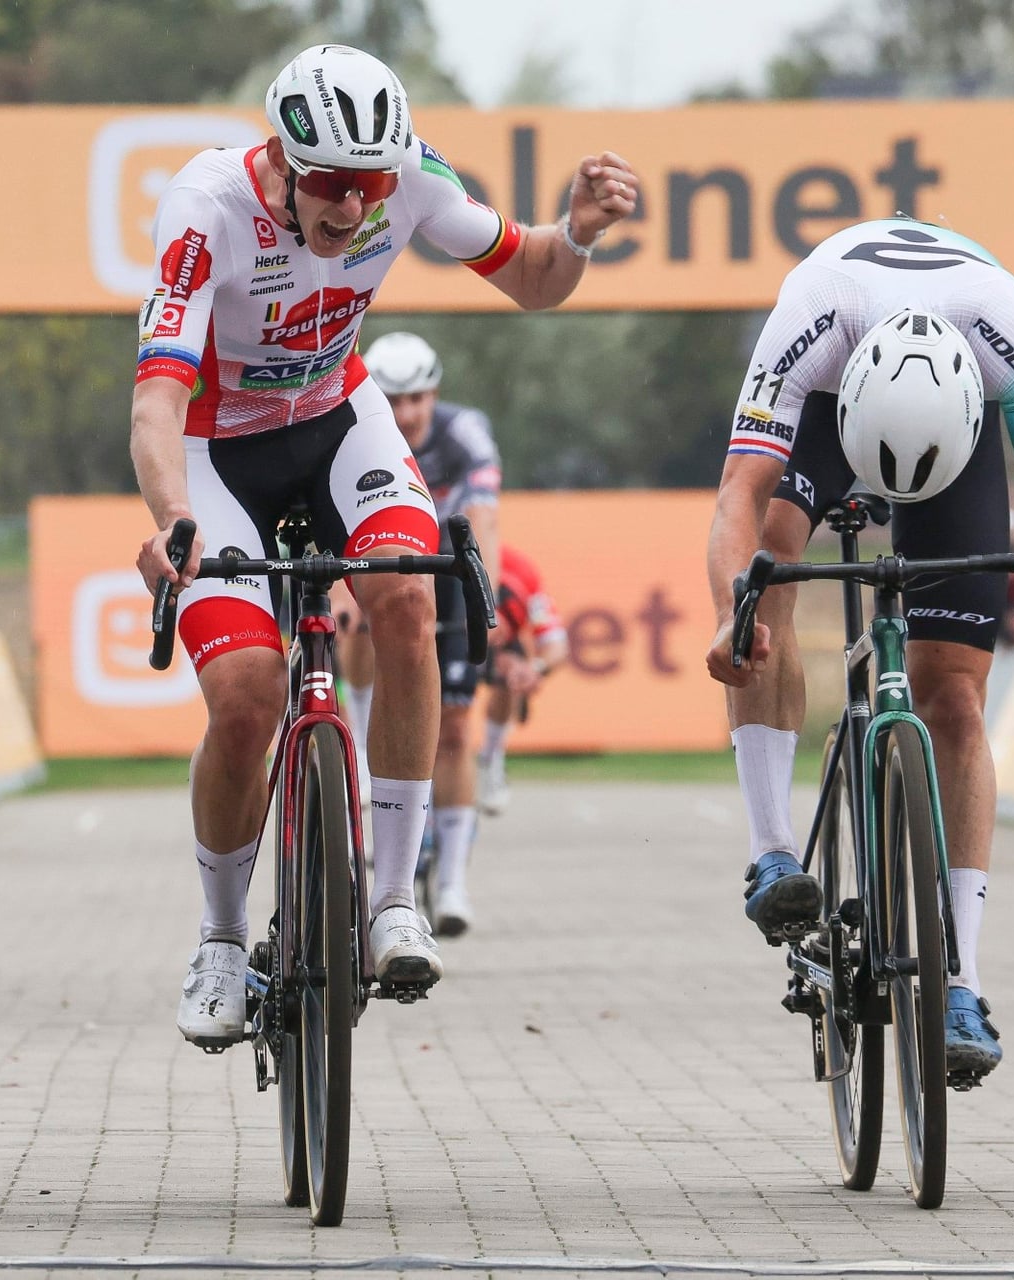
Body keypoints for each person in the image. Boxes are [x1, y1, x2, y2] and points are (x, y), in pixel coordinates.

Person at [128, 43, 638, 1047]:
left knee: (408, 594)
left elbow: (533, 274)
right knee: (244, 701)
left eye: (371, 185)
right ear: (281, 156)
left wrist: (576, 233)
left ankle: (395, 895)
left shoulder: (408, 174)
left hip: (335, 420)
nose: (354, 209)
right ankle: (222, 939)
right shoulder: (206, 206)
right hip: (215, 450)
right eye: (331, 187)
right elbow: (156, 398)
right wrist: (171, 520)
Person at [704, 217, 1014, 1084]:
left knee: (952, 696)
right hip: (831, 407)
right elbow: (739, 492)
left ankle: (961, 980)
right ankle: (771, 851)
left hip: (952, 437)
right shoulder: (812, 317)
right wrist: (736, 614)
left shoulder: (1008, 337)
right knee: (766, 576)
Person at [339, 331, 503, 936]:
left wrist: (489, 598)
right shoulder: (354, 424)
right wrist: (340, 601)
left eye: (418, 398)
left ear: (436, 393)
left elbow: (485, 520)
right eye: (394, 399)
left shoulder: (465, 434)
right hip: (380, 561)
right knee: (352, 616)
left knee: (457, 734)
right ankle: (357, 739)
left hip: (448, 569)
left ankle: (454, 880)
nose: (407, 413)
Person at [477, 544, 569, 817]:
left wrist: (535, 668)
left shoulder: (523, 577)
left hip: (502, 645)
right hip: (451, 631)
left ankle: (491, 758)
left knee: (511, 674)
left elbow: (557, 646)